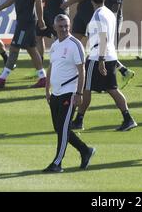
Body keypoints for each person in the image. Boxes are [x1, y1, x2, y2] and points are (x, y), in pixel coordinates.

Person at [70, 0, 137, 131]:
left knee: (85, 88)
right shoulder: (109, 13)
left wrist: (100, 60)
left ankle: (78, 120)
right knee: (112, 89)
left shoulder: (98, 15)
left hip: (98, 58)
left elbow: (103, 37)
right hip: (109, 56)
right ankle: (128, 118)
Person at [43, 14, 96, 173]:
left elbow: (82, 70)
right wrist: (47, 89)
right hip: (56, 93)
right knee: (60, 128)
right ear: (55, 27)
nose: (64, 29)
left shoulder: (75, 44)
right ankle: (85, 150)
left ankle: (57, 163)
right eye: (61, 26)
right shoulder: (54, 46)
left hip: (70, 92)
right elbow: (51, 67)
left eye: (66, 26)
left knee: (63, 128)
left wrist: (79, 93)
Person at [99, 0, 135, 89]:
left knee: (107, 51)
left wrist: (110, 22)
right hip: (108, 20)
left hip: (111, 21)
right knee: (106, 51)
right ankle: (124, 72)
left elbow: (115, 4)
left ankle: (111, 82)